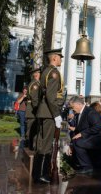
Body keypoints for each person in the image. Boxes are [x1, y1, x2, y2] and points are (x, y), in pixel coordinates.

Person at [33, 48, 65, 183]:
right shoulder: (54, 73)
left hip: (43, 112)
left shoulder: (45, 71)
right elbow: (51, 97)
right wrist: (56, 114)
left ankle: (37, 173)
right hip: (50, 113)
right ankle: (43, 174)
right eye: (59, 57)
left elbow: (42, 95)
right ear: (54, 58)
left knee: (41, 142)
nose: (61, 59)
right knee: (47, 144)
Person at [69, 96, 101, 174]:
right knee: (75, 140)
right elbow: (79, 129)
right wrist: (71, 142)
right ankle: (81, 162)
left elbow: (97, 127)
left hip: (98, 138)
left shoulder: (90, 112)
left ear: (79, 104)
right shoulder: (78, 114)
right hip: (90, 136)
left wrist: (81, 134)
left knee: (78, 142)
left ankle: (87, 167)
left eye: (73, 107)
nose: (72, 109)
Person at [25, 68, 41, 150]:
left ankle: (30, 145)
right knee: (31, 129)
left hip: (32, 109)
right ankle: (29, 146)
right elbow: (34, 99)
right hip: (32, 110)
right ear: (36, 74)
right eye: (40, 73)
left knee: (33, 129)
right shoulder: (35, 84)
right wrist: (38, 109)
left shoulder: (36, 83)